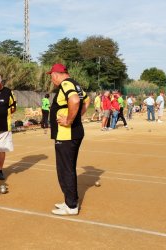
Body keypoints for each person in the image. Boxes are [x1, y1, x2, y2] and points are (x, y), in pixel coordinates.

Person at [46, 64, 90, 216]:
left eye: (51, 77)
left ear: (56, 75)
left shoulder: (66, 84)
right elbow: (87, 100)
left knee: (65, 169)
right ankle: (69, 200)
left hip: (67, 134)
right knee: (67, 168)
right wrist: (77, 117)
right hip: (72, 133)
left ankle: (71, 205)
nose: (52, 80)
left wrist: (70, 120)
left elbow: (75, 100)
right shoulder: (75, 83)